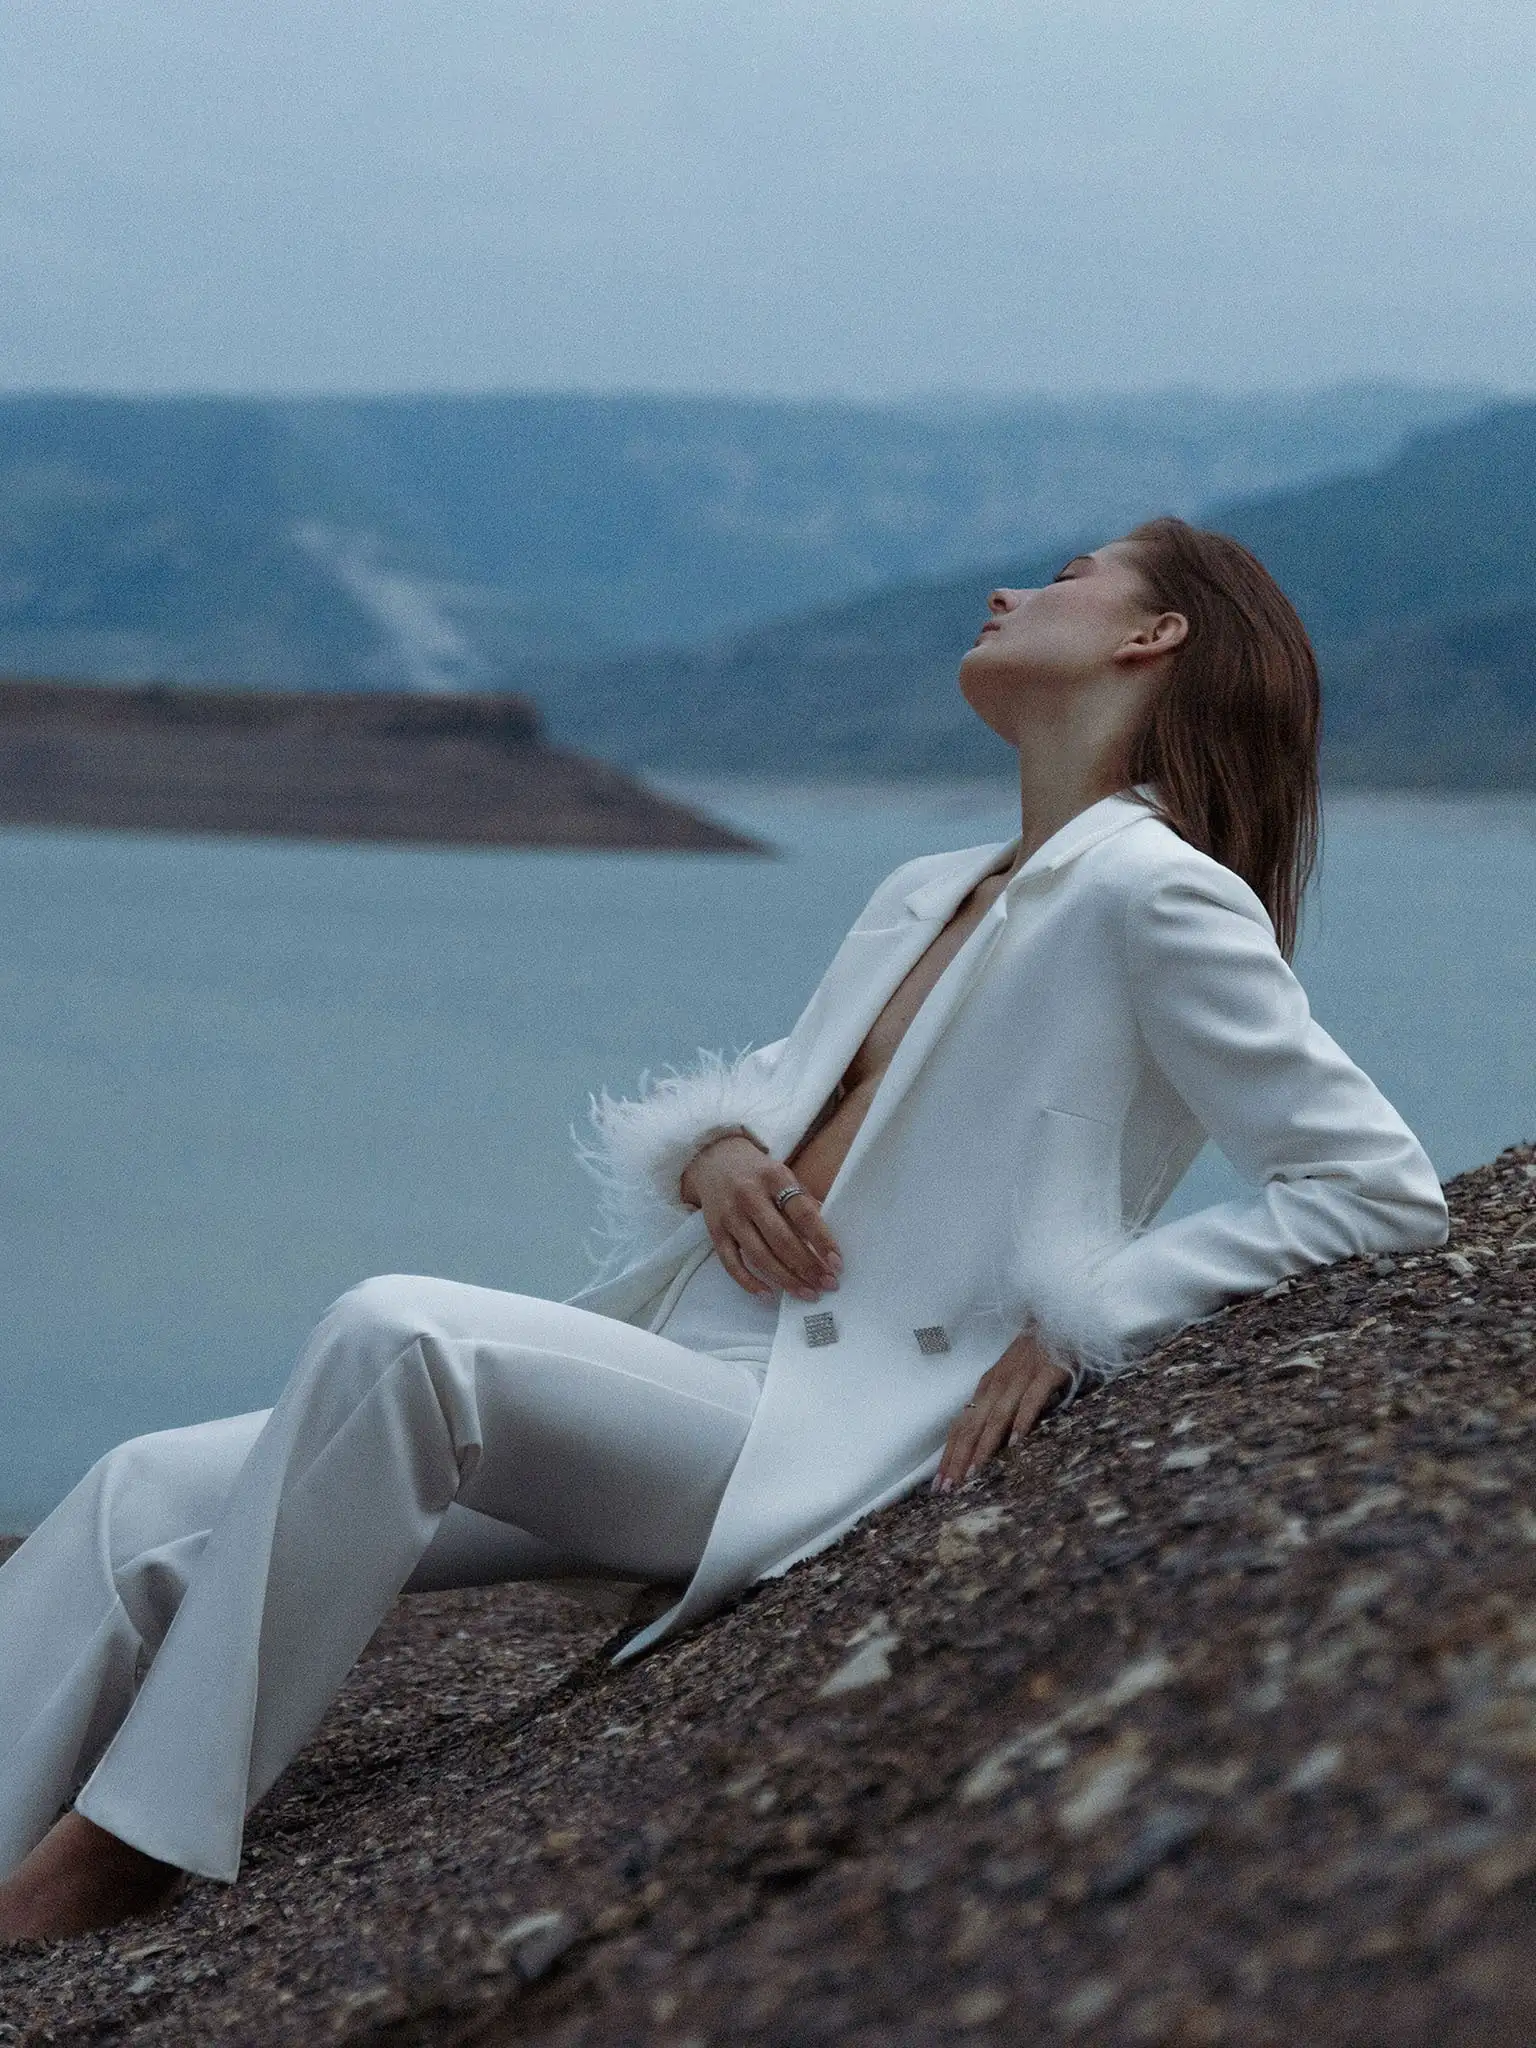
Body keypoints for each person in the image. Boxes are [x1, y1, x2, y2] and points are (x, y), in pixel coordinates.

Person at [0, 518, 1448, 1941]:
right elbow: (768, 1091)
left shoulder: (1158, 890)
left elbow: (1370, 1182)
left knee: (405, 1335)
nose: (1010, 587)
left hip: (811, 1425)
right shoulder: (930, 887)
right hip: (679, 1374)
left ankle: (130, 1847)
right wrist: (711, 1156)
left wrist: (1091, 1315)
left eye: (1068, 576)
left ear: (1155, 636)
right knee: (135, 1495)